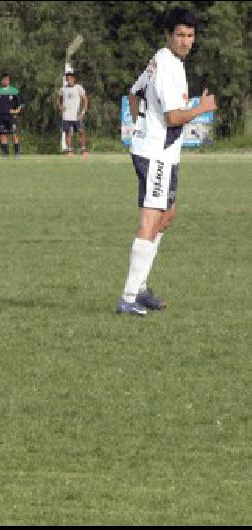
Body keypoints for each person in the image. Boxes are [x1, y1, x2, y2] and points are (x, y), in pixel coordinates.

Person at [116, 7, 217, 316]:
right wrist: (203, 107)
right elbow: (174, 117)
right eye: (180, 35)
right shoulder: (167, 65)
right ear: (168, 35)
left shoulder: (162, 60)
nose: (186, 41)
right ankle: (129, 297)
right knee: (150, 221)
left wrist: (140, 127)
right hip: (156, 154)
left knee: (166, 216)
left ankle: (141, 288)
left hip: (162, 152)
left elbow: (133, 94)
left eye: (190, 35)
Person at [0, 72, 25, 158]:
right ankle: (5, 154)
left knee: (14, 134)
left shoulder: (14, 90)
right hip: (1, 116)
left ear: (9, 80)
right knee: (3, 135)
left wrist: (16, 110)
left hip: (12, 117)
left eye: (7, 79)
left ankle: (17, 153)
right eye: (4, 79)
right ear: (1, 81)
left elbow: (21, 103)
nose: (6, 81)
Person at [56, 71, 89, 158]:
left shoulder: (79, 88)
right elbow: (58, 99)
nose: (69, 80)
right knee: (68, 133)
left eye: (70, 78)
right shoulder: (63, 89)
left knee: (81, 132)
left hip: (77, 116)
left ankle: (83, 149)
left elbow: (85, 99)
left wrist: (83, 112)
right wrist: (60, 107)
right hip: (66, 116)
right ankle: (70, 150)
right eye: (67, 78)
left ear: (74, 79)